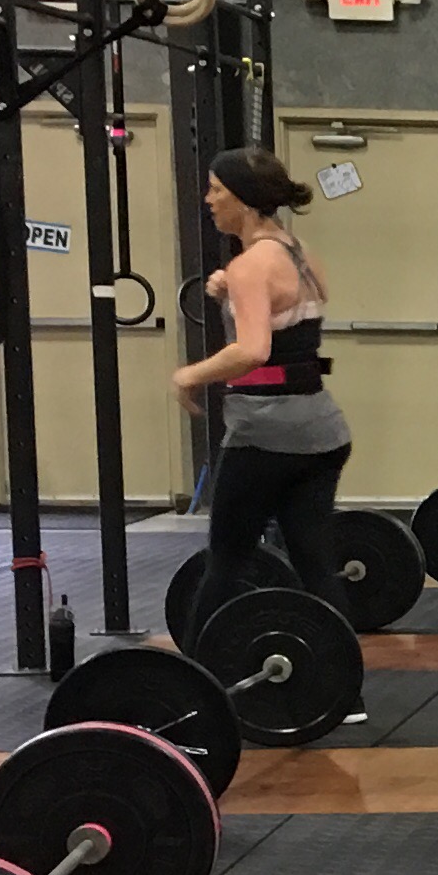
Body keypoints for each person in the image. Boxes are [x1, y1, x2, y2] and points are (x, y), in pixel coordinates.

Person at [175, 148, 346, 637]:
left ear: (245, 201)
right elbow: (292, 309)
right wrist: (231, 289)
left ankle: (195, 671)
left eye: (216, 190)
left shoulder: (251, 265)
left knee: (227, 561)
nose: (208, 200)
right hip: (322, 431)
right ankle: (338, 675)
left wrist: (190, 375)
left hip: (267, 434)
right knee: (314, 564)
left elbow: (253, 350)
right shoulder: (299, 252)